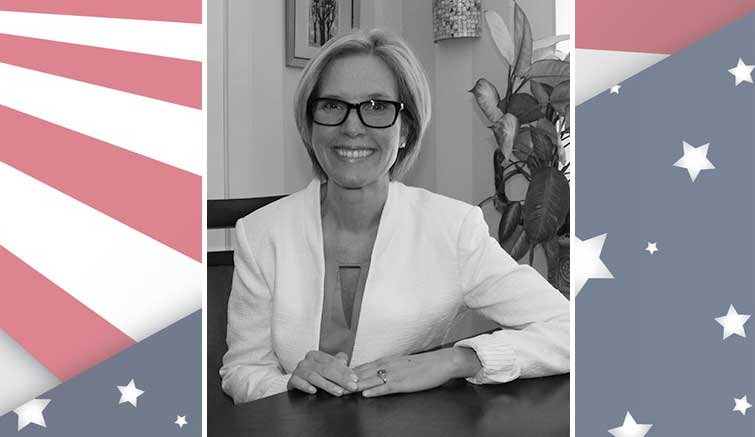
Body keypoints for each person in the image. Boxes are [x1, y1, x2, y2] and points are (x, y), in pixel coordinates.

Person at [220, 28, 569, 404]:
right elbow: (242, 370)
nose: (352, 127)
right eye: (333, 106)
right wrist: (288, 384)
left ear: (406, 129)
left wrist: (456, 360)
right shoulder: (260, 234)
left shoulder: (453, 230)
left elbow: (571, 330)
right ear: (310, 126)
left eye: (377, 107)